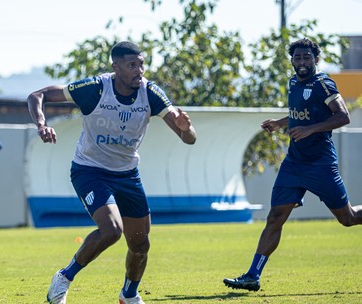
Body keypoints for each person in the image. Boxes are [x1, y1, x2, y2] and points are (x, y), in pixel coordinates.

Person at [27, 41, 196, 304]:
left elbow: (189, 139)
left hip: (127, 174)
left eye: (141, 64)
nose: (139, 70)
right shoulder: (94, 89)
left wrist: (186, 128)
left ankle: (129, 295)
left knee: (140, 245)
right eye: (132, 65)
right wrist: (42, 125)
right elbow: (37, 95)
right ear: (115, 67)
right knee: (112, 230)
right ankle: (64, 277)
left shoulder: (150, 92)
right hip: (90, 170)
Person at [223, 38, 362, 291]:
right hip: (294, 163)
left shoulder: (323, 84)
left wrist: (310, 130)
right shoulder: (293, 83)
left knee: (348, 218)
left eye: (306, 58)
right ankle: (253, 275)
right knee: (275, 218)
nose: (301, 62)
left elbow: (343, 116)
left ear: (315, 60)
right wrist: (279, 123)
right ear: (292, 61)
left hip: (320, 164)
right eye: (297, 58)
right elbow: (302, 114)